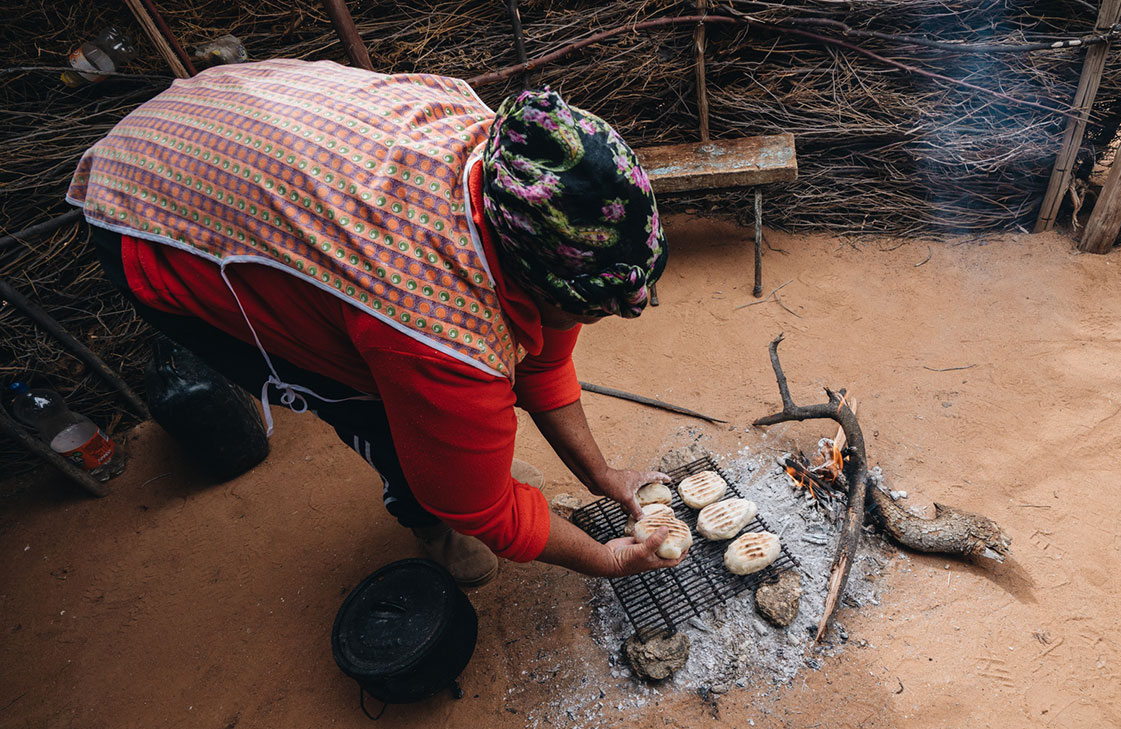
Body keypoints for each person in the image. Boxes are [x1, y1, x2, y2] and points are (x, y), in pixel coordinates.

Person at [68, 58, 683, 587]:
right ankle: (424, 516)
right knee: (367, 398)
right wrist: (603, 558)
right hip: (153, 212)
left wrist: (603, 475)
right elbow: (487, 510)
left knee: (441, 423)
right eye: (593, 305)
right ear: (533, 278)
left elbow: (543, 355)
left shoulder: (512, 189)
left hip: (242, 128)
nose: (604, 316)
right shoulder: (438, 329)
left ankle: (456, 461)